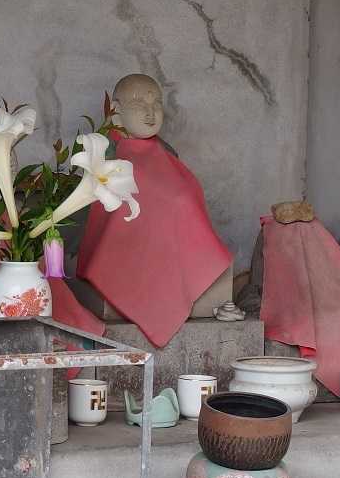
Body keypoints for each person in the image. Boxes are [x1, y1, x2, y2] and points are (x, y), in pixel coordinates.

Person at [75, 74, 232, 347]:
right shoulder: (103, 149)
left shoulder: (166, 151)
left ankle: (184, 281)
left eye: (156, 103)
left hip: (173, 240)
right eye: (139, 104)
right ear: (116, 112)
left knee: (182, 201)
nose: (150, 112)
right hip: (129, 241)